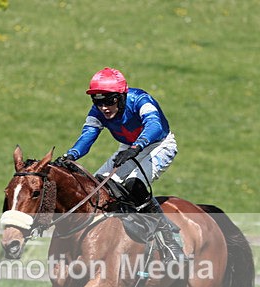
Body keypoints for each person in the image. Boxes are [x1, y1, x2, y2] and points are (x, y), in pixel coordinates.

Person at [59, 67, 184, 263]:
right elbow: (88, 137)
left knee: (135, 183)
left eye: (110, 100)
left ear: (122, 96)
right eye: (97, 101)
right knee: (97, 187)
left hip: (159, 143)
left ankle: (169, 238)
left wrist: (137, 146)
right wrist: (70, 156)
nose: (104, 107)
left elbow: (154, 125)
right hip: (129, 146)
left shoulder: (140, 99)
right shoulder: (97, 112)